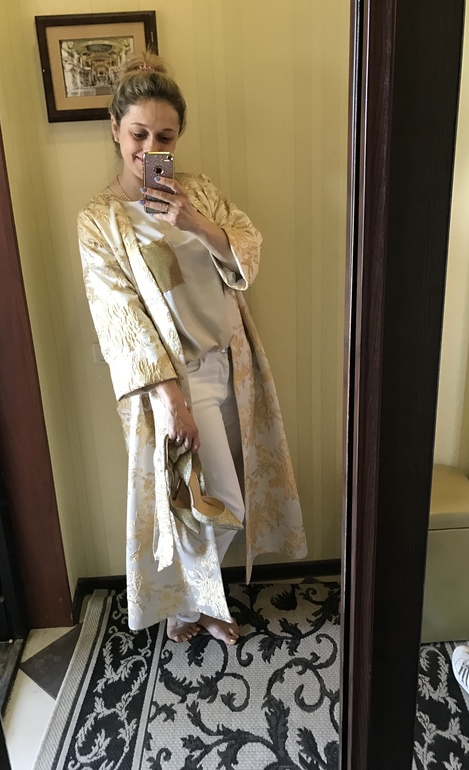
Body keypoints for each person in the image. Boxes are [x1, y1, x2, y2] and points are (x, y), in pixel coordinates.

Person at [78, 52, 307, 646]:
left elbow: (248, 247)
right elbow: (119, 317)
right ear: (115, 129)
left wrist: (196, 222)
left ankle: (193, 604)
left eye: (165, 136)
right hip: (178, 379)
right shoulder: (100, 220)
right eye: (138, 134)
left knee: (225, 494)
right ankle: (192, 603)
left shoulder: (198, 191)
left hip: (234, 363)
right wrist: (169, 399)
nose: (150, 147)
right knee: (215, 497)